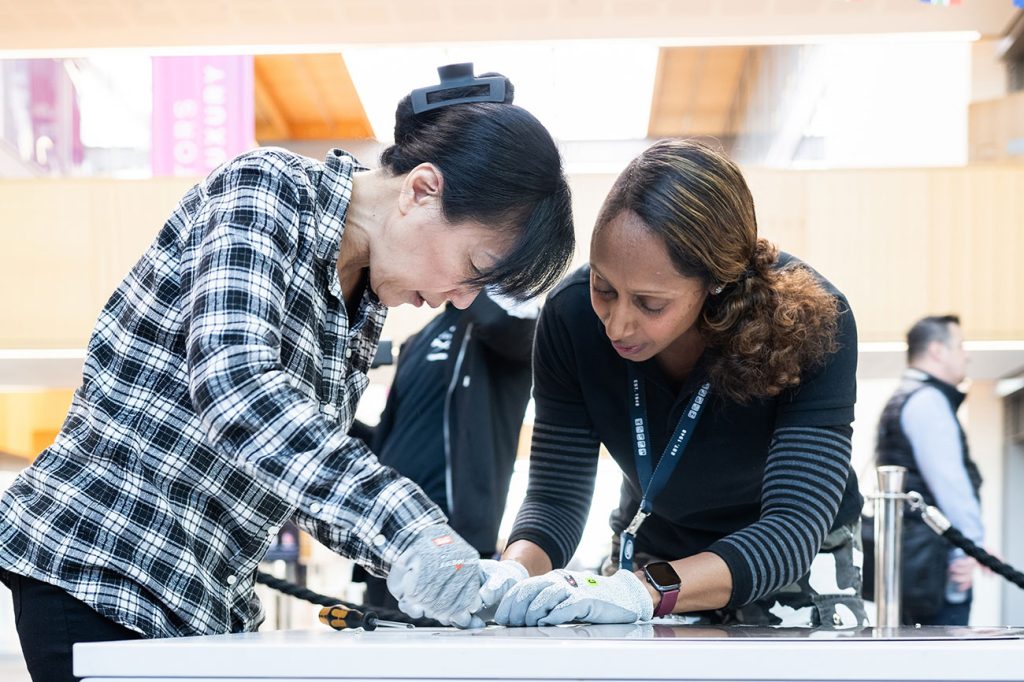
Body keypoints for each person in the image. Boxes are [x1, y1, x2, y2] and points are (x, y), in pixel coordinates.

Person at [0, 63, 574, 681]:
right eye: (471, 267)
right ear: (420, 190)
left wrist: (450, 573)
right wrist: (410, 530)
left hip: (204, 604)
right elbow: (237, 387)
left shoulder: (361, 305)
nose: (462, 300)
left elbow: (298, 474)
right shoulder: (265, 190)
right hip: (106, 566)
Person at [474, 138, 867, 629]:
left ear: (715, 283)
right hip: (655, 542)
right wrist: (511, 576)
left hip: (792, 555)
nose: (617, 325)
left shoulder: (813, 322)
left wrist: (639, 592)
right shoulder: (572, 317)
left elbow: (790, 529)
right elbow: (555, 498)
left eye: (650, 304)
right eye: (604, 288)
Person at [350, 287, 537, 611]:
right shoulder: (417, 340)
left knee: (439, 659)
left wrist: (467, 271)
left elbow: (510, 326)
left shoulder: (508, 323)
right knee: (381, 656)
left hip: (451, 538)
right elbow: (390, 438)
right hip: (387, 532)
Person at [875, 315, 984, 626]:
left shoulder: (903, 396)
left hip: (915, 564)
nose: (968, 355)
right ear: (938, 350)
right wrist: (969, 549)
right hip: (937, 566)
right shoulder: (927, 401)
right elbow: (951, 484)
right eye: (961, 345)